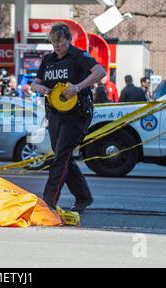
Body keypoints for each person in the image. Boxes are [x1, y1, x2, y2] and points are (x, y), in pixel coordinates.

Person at [31, 23, 106, 213]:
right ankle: (84, 197)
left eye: (60, 42)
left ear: (68, 40)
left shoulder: (79, 56)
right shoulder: (48, 60)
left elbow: (100, 72)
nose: (57, 46)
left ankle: (47, 203)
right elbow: (34, 84)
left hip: (77, 114)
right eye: (53, 42)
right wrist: (39, 88)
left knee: (61, 157)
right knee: (62, 157)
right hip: (55, 114)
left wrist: (78, 87)